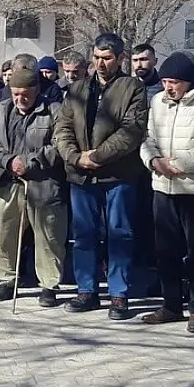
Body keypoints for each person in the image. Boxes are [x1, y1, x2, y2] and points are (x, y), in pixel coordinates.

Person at [52, 33, 149, 320]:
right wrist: (75, 157)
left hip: (118, 174)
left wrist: (97, 156)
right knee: (84, 234)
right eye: (96, 57)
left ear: (120, 58)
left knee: (120, 233)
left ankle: (119, 293)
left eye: (107, 58)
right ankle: (87, 290)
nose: (100, 63)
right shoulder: (78, 89)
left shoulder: (132, 88)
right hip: (81, 176)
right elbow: (63, 128)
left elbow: (131, 131)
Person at [137, 53, 194, 333]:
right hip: (163, 186)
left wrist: (178, 164)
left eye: (174, 82)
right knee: (165, 251)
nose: (168, 88)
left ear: (187, 81)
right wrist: (153, 161)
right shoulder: (157, 102)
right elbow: (147, 138)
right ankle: (171, 305)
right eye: (165, 82)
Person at [0, 67, 68, 307]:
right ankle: (6, 280)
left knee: (48, 235)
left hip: (43, 183)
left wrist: (30, 162)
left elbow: (59, 146)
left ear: (36, 90)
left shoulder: (54, 110)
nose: (20, 99)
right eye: (15, 94)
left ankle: (49, 285)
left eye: (25, 94)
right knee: (2, 232)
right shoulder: (3, 110)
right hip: (7, 179)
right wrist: (9, 161)